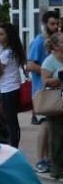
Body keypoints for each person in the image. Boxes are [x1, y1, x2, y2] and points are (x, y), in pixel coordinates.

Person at [28, 11, 60, 172]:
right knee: (45, 124)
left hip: (55, 91)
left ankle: (50, 159)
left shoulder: (57, 41)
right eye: (52, 24)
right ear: (45, 24)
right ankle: (41, 159)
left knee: (52, 126)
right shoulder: (39, 42)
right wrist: (48, 71)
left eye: (57, 23)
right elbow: (30, 65)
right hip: (42, 90)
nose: (55, 27)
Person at [0, 21, 27, 147]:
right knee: (11, 121)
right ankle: (13, 144)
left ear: (8, 36)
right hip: (11, 88)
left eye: (1, 34)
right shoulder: (13, 50)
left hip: (7, 89)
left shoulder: (7, 53)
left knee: (9, 121)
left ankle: (12, 146)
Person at [40, 32, 63, 180]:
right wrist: (59, 78)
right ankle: (56, 169)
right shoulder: (49, 61)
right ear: (55, 46)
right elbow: (45, 81)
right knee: (57, 138)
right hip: (56, 104)